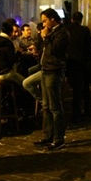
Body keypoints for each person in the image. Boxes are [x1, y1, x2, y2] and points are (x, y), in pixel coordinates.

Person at [33, 8, 69, 151]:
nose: (44, 24)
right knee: (46, 106)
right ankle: (48, 135)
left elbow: (56, 50)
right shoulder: (51, 32)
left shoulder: (62, 33)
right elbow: (45, 49)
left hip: (54, 71)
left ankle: (59, 138)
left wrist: (46, 37)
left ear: (52, 19)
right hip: (45, 69)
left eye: (45, 20)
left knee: (55, 107)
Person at [65, 12, 91, 123]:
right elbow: (89, 47)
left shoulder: (66, 29)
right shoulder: (84, 30)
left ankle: (71, 112)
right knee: (80, 88)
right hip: (80, 62)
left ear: (72, 19)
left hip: (68, 62)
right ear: (81, 20)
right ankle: (80, 112)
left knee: (73, 88)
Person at [0, 21, 25, 87]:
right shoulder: (8, 42)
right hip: (5, 73)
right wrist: (18, 53)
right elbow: (12, 60)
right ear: (11, 32)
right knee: (25, 83)